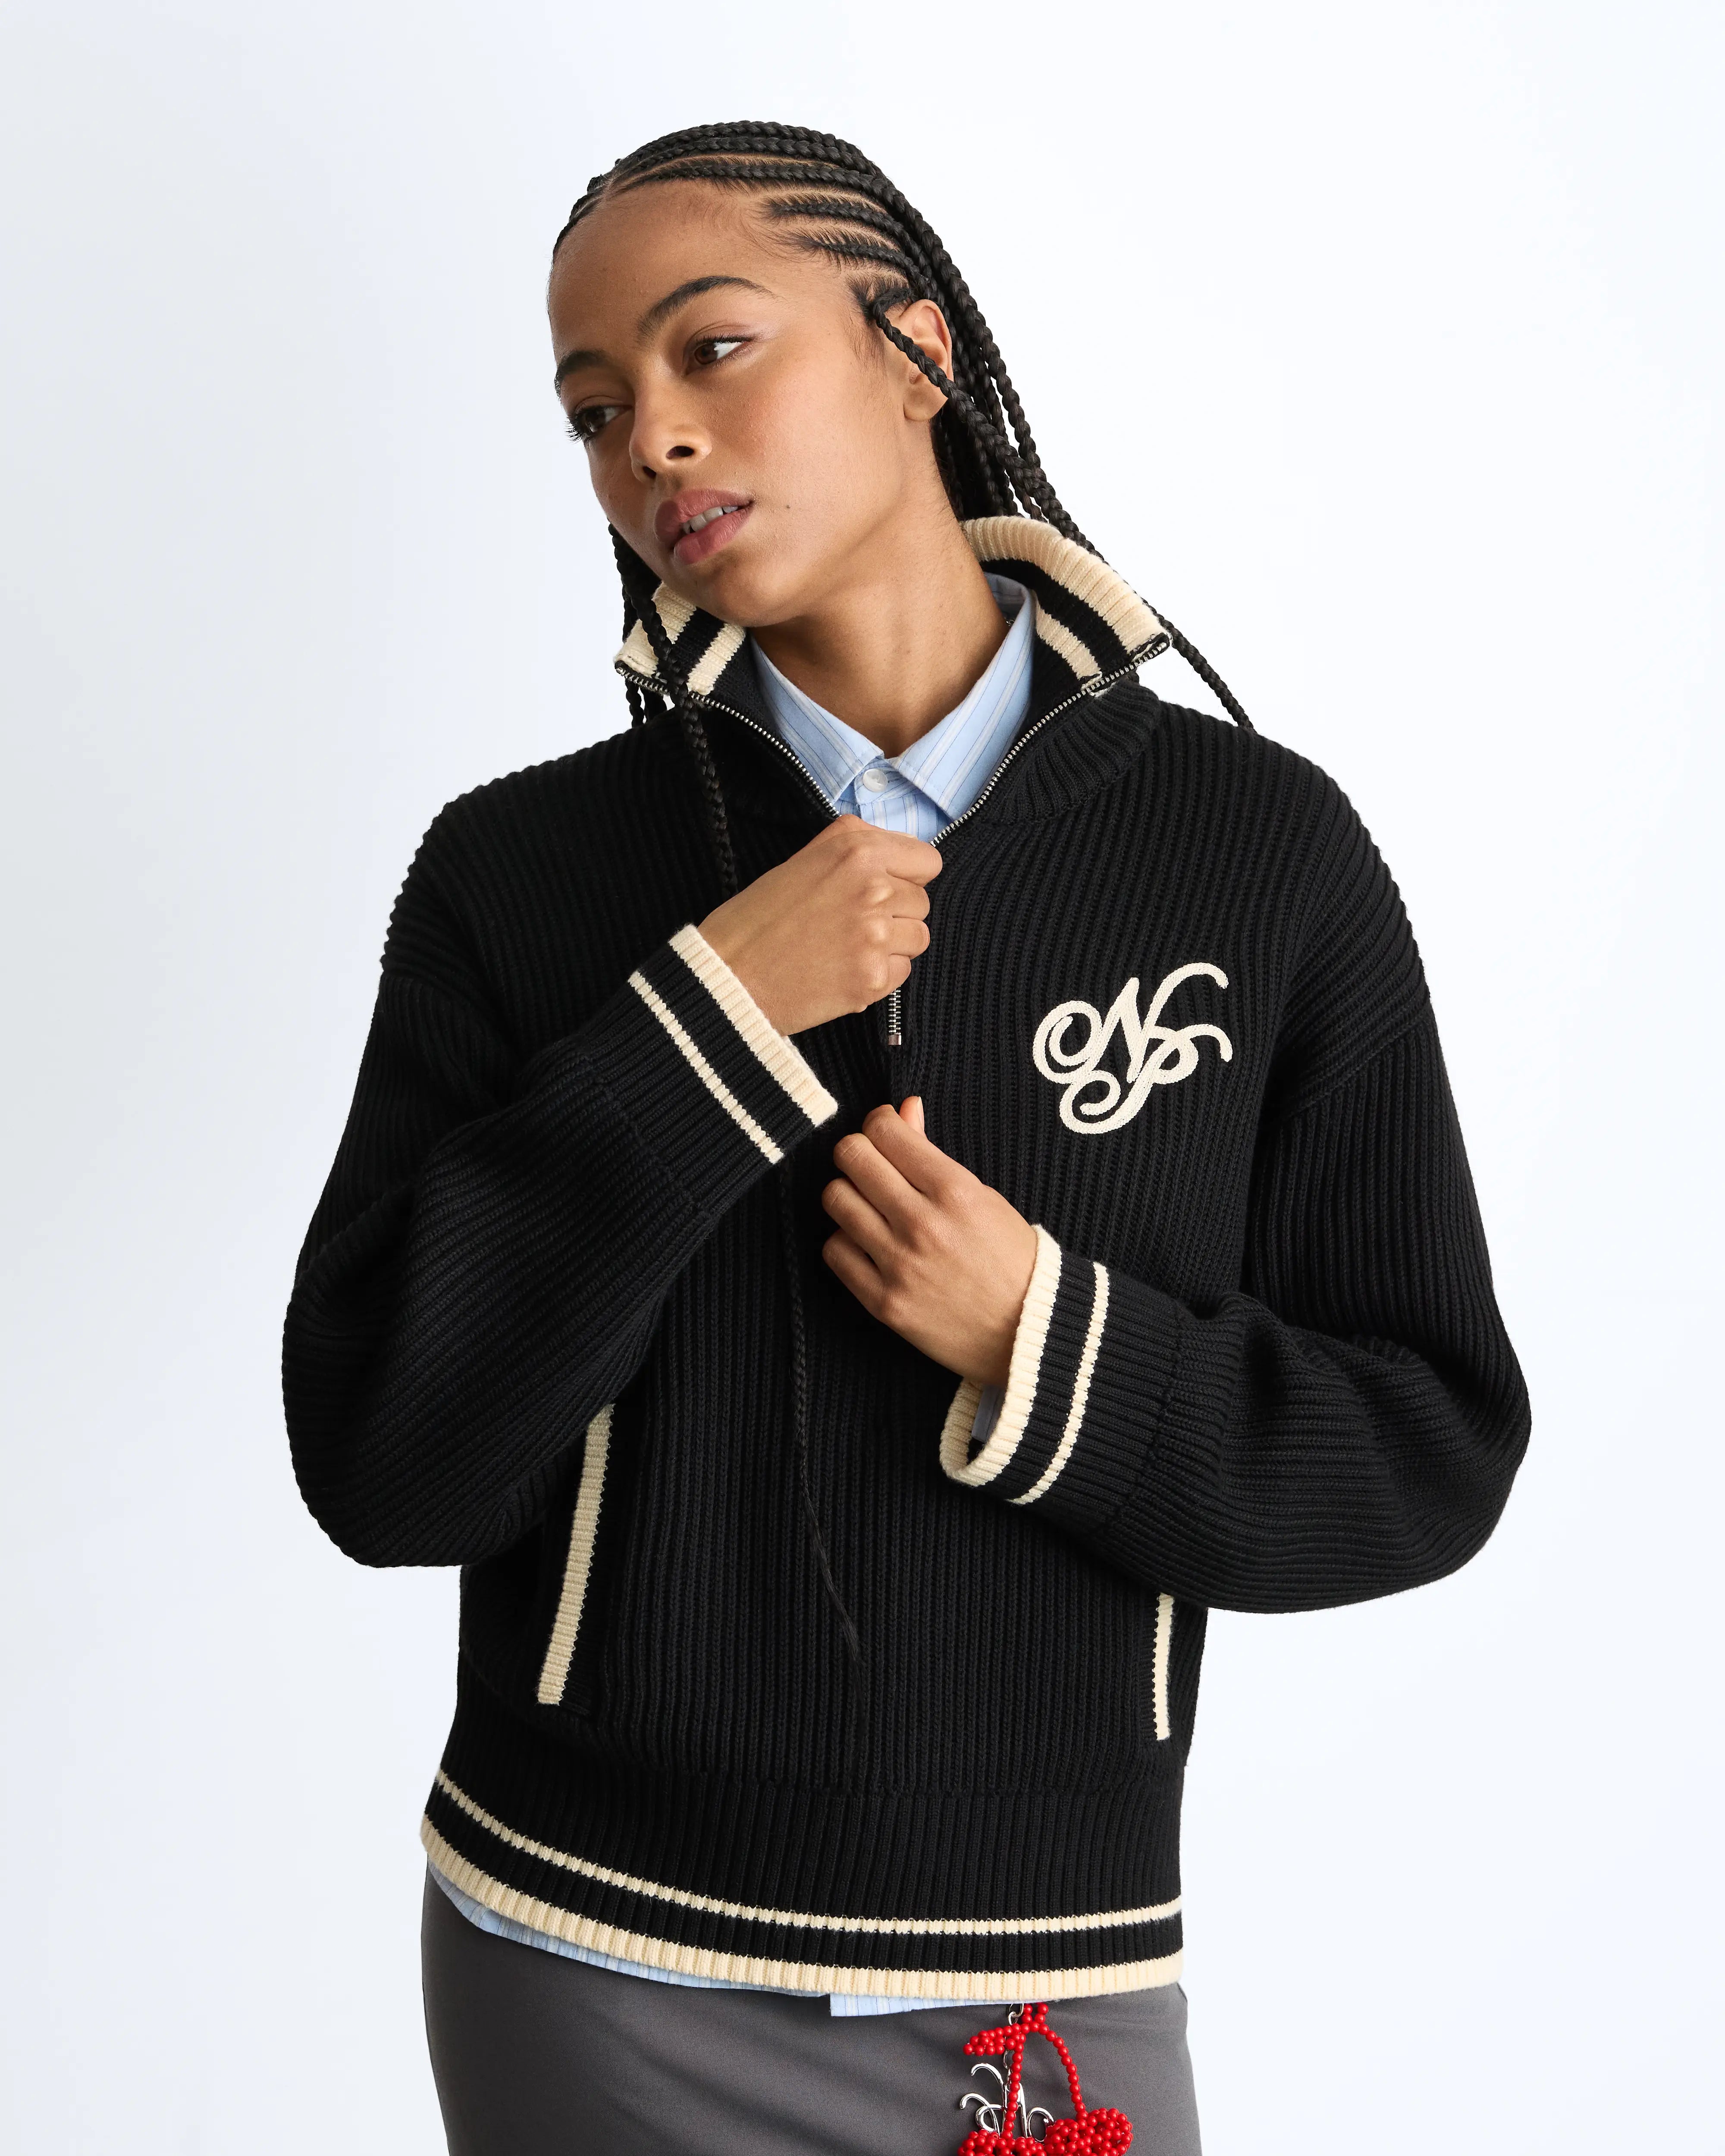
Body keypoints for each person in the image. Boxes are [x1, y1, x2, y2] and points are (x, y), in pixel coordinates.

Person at [282, 122, 1531, 2155]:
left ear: (913, 352)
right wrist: (707, 1024)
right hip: (590, 1960)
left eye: (710, 348)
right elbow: (384, 1457)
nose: (650, 440)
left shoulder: (1258, 853)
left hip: (1040, 1988)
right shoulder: (519, 874)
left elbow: (1424, 1449)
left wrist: (1042, 1339)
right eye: (592, 408)